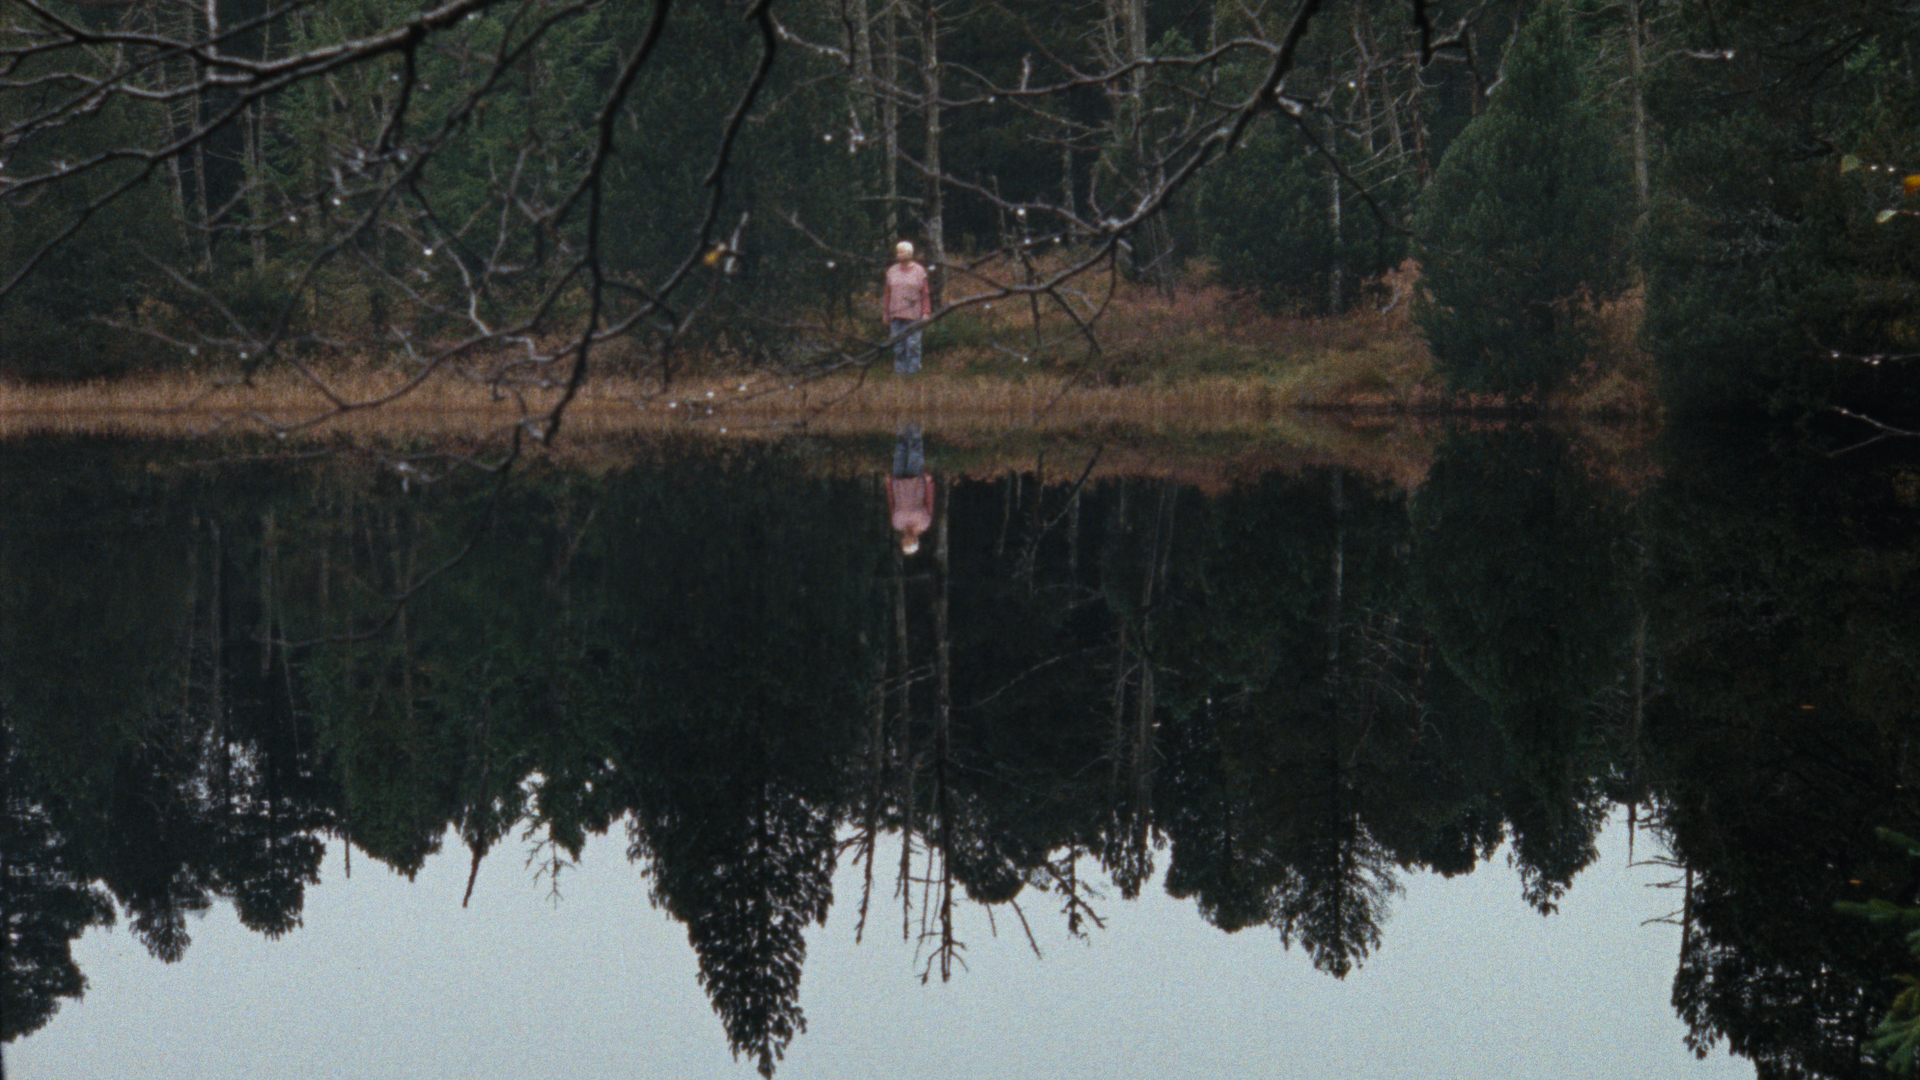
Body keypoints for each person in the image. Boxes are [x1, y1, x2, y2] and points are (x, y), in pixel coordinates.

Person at [881, 240, 932, 374]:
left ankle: (913, 374)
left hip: (914, 316)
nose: (898, 254)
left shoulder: (919, 271)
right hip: (895, 315)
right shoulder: (891, 271)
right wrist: (885, 313)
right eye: (897, 252)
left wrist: (926, 312)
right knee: (898, 347)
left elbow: (925, 294)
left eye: (901, 252)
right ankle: (900, 375)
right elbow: (887, 294)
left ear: (909, 253)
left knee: (913, 346)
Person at [888, 423, 934, 554]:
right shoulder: (924, 523)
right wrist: (929, 482)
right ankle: (914, 422)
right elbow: (929, 501)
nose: (906, 539)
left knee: (900, 450)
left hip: (898, 481)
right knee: (915, 450)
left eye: (904, 542)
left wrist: (888, 484)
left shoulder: (896, 523)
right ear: (915, 540)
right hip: (916, 481)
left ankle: (901, 423)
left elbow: (891, 502)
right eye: (909, 542)